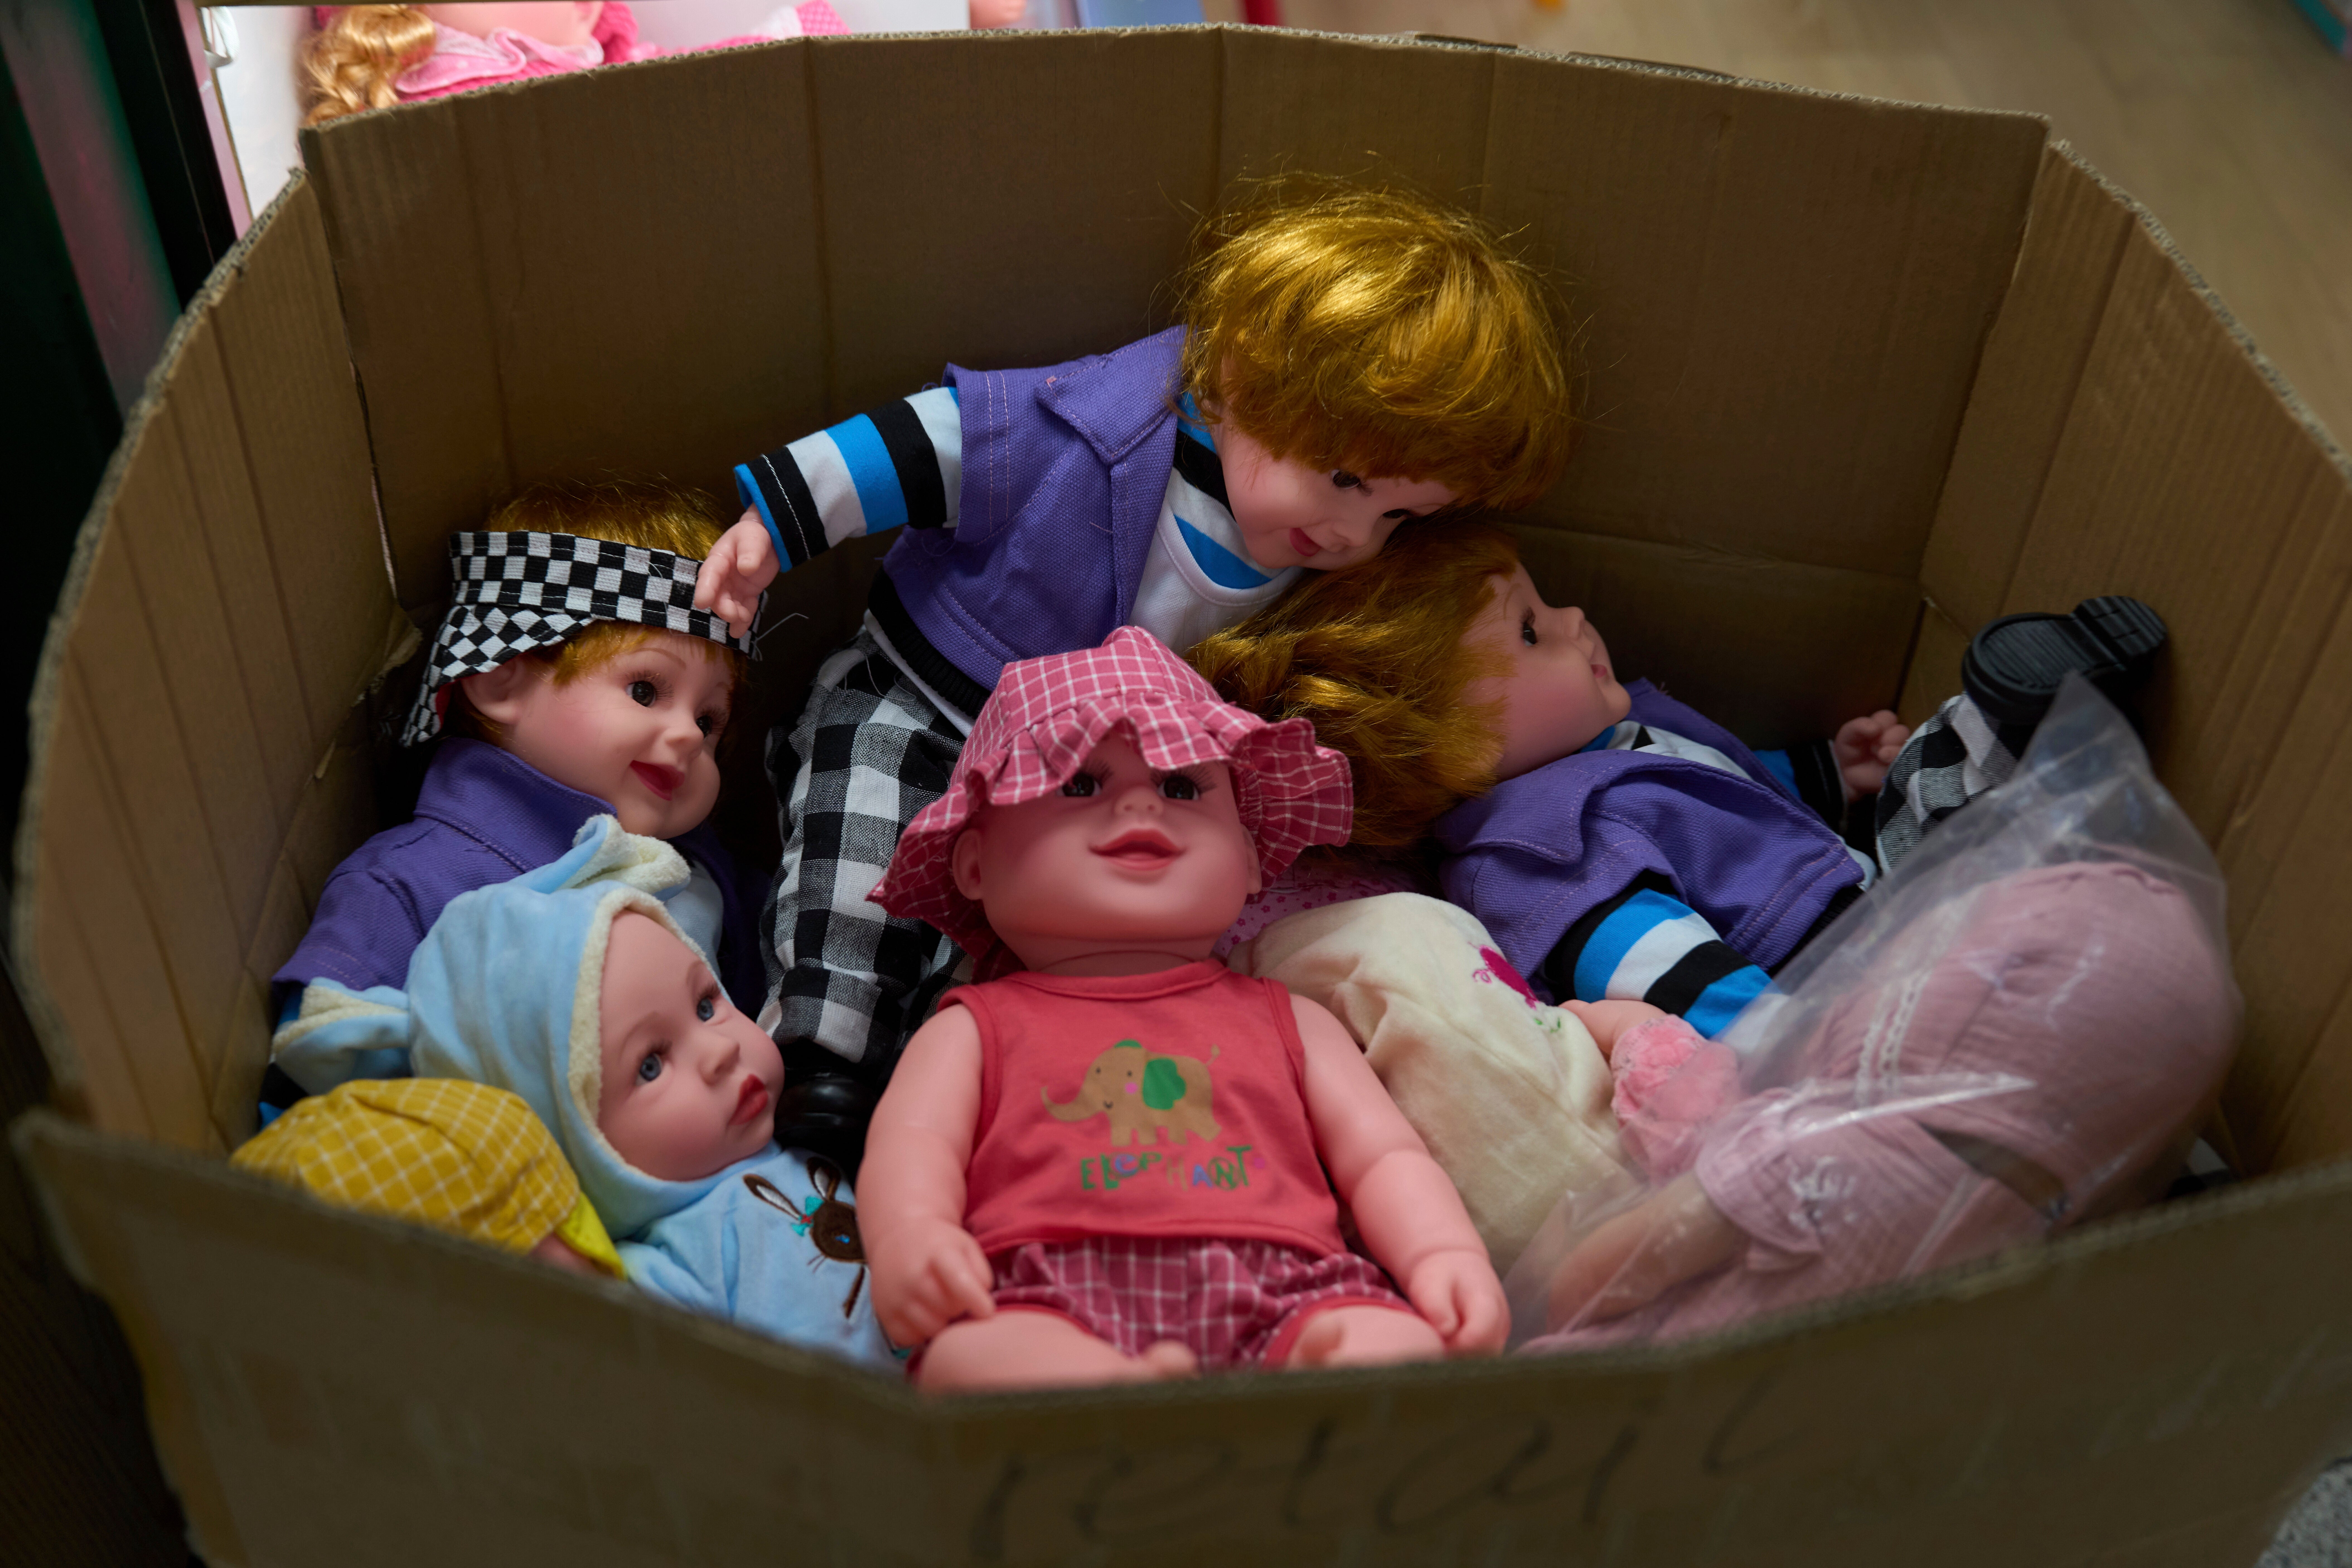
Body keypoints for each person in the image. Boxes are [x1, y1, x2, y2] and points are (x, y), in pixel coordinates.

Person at [688, 181, 1578, 1163]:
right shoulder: (1086, 429)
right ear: (1243, 370)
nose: (1351, 536)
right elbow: (929, 444)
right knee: (857, 859)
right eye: (1347, 481)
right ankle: (828, 1056)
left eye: (1398, 518)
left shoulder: (1324, 573)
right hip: (928, 701)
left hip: (1092, 793)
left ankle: (951, 1112)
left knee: (1047, 951)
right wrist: (776, 525)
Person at [1192, 519, 2165, 1034]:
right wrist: (1790, 1041)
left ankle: (2026, 729)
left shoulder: (1611, 734)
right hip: (1832, 981)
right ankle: (2020, 717)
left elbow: (1715, 792)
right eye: (1531, 633)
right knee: (1974, 820)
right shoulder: (1539, 855)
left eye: (1544, 603)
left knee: (1926, 776)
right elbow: (1669, 974)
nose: (1574, 618)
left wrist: (1827, 771)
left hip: (1860, 879)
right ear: (1450, 750)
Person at [854, 628, 1507, 1390]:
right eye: (1077, 783)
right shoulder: (972, 1026)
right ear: (973, 863)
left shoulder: (1290, 1018)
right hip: (1046, 1292)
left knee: (1389, 1349)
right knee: (972, 1359)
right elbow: (911, 1144)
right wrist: (912, 1238)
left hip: (1292, 1294)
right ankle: (1112, 1396)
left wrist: (1441, 1256)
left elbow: (1383, 1158)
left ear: (1250, 858)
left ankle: (1272, 1412)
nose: (1138, 802)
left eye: (1182, 787)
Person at [271, 816, 895, 1364]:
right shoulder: (669, 1265)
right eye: (650, 1065)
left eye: (706, 1004)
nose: (721, 1050)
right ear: (577, 1139)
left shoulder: (815, 1134)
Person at [271, 480, 764, 1100]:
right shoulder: (412, 880)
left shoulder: (704, 878)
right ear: (501, 679)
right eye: (646, 690)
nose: (689, 737)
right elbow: (316, 1050)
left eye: (709, 720)